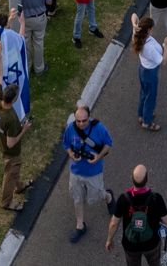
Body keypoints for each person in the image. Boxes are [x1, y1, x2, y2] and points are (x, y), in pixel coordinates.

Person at [61, 104, 112, 244]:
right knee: (77, 198)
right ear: (75, 119)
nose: (81, 124)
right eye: (78, 121)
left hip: (94, 172)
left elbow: (108, 144)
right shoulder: (71, 128)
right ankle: (80, 225)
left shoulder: (99, 128)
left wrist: (99, 156)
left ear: (89, 117)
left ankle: (108, 197)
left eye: (84, 120)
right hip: (76, 172)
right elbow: (66, 144)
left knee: (97, 195)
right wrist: (71, 154)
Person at [106, 164, 167, 266]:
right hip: (151, 243)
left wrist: (109, 239)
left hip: (131, 245)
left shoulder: (124, 198)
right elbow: (166, 220)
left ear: (132, 179)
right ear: (147, 179)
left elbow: (114, 223)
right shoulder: (156, 198)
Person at [0, 84, 28, 212]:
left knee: (15, 171)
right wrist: (24, 130)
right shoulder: (11, 119)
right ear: (13, 100)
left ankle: (19, 186)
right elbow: (11, 144)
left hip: (1, 143)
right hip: (11, 152)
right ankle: (6, 202)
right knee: (11, 173)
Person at [16, 0, 52, 73]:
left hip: (25, 20)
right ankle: (39, 68)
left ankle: (26, 67)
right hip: (40, 18)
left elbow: (17, 6)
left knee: (26, 44)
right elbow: (49, 2)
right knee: (38, 43)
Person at [133, 17, 166, 132]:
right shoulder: (149, 48)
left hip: (142, 69)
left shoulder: (137, 35)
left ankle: (141, 114)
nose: (153, 30)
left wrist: (134, 24)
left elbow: (134, 15)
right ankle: (147, 122)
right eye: (152, 28)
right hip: (151, 73)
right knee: (150, 97)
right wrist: (166, 46)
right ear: (148, 30)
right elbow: (163, 62)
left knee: (144, 93)